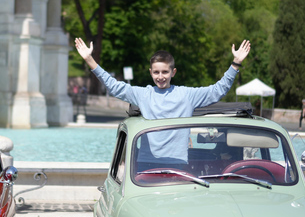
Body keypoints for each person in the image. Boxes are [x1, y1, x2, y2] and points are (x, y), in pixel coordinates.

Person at [74, 37, 251, 166]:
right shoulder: (144, 94)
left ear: (173, 72)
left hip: (177, 163)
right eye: (156, 72)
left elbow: (217, 90)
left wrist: (235, 64)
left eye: (165, 72)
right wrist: (89, 60)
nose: (160, 77)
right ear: (150, 72)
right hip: (145, 164)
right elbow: (114, 86)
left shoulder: (187, 95)